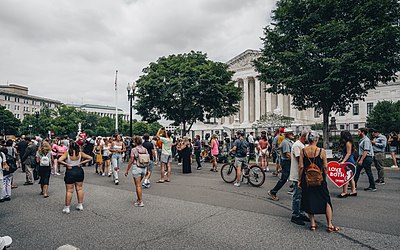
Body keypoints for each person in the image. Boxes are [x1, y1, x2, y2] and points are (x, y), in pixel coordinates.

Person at [299, 131, 339, 232]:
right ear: (316, 139)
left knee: (309, 199)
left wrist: (299, 179)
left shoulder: (303, 151)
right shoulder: (321, 151)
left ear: (308, 139)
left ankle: (312, 224)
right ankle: (329, 224)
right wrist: (324, 178)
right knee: (326, 200)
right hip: (320, 179)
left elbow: (301, 166)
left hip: (307, 179)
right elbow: (325, 166)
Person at [58, 141, 92, 214]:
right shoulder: (80, 153)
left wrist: (67, 164)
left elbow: (59, 160)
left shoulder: (67, 153)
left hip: (70, 171)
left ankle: (67, 207)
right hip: (79, 170)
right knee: (79, 189)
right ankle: (80, 205)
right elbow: (90, 158)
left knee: (69, 190)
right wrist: (81, 163)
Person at [289, 130, 310, 225]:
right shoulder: (297, 145)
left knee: (301, 195)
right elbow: (300, 160)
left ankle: (300, 212)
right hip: (297, 174)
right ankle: (295, 215)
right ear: (304, 137)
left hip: (301, 174)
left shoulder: (302, 145)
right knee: (297, 195)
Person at [268, 129, 294, 201]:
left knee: (294, 177)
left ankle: (295, 191)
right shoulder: (285, 142)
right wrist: (296, 161)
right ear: (287, 134)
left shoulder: (290, 142)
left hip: (288, 162)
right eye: (291, 133)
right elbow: (288, 154)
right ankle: (273, 191)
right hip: (286, 162)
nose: (293, 135)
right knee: (284, 179)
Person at [125, 136, 148, 207]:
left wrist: (127, 170)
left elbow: (131, 160)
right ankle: (138, 200)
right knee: (138, 185)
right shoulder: (145, 149)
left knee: (138, 185)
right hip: (143, 167)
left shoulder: (134, 150)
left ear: (135, 142)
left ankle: (140, 201)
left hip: (136, 167)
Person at [337, 131, 357, 198]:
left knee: (345, 177)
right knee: (351, 177)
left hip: (348, 161)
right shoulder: (349, 142)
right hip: (349, 160)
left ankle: (344, 192)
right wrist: (342, 159)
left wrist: (343, 161)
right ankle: (354, 191)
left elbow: (348, 153)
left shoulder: (348, 143)